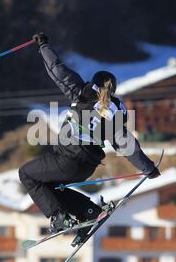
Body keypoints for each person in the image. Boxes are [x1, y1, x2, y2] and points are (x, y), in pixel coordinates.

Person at [19, 33, 160, 246]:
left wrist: (43, 46)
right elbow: (126, 143)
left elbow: (58, 70)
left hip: (66, 159)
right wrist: (148, 167)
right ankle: (89, 212)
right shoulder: (115, 113)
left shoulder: (82, 93)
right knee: (53, 187)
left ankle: (58, 216)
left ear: (95, 84)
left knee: (27, 175)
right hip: (86, 168)